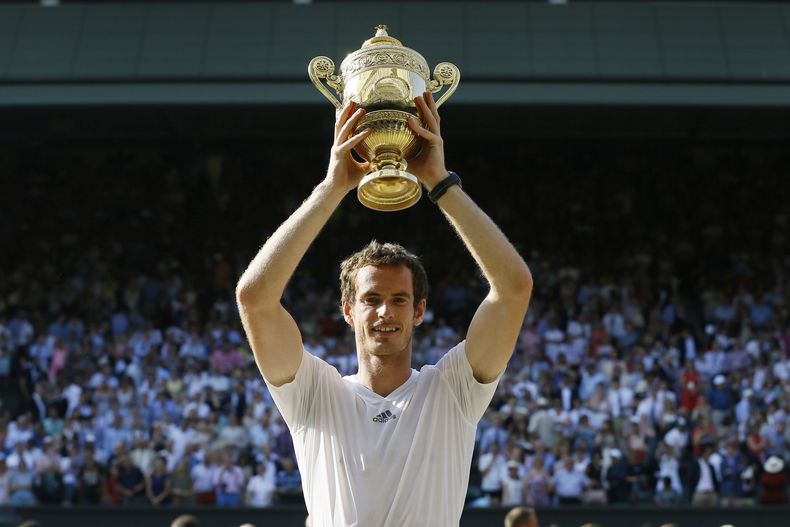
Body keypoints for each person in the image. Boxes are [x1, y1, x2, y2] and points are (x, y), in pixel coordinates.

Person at [235, 93, 533, 526]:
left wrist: (439, 181)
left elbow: (514, 288)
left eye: (399, 300)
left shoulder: (452, 389)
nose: (384, 312)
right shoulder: (316, 393)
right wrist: (332, 187)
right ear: (348, 311)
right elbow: (254, 298)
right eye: (371, 299)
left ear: (419, 311)